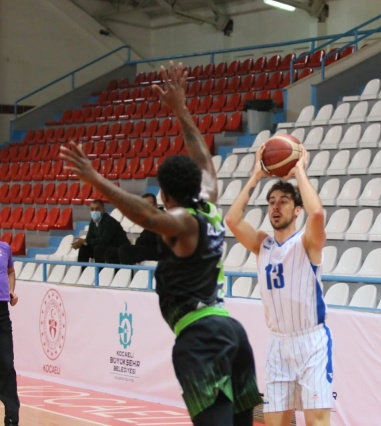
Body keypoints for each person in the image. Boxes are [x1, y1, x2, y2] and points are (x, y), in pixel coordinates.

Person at [61, 62, 262, 426]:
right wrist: (181, 110)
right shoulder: (208, 204)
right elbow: (203, 159)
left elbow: (148, 217)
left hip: (201, 337)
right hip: (231, 332)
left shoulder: (183, 223)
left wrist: (95, 179)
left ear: (166, 196)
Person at [225, 146, 333, 426]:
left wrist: (299, 172)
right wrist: (256, 175)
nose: (275, 206)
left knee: (317, 422)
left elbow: (317, 214)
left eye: (283, 201)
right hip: (278, 343)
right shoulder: (262, 244)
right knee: (274, 422)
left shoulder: (307, 242)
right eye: (272, 202)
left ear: (297, 210)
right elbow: (232, 220)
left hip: (311, 341)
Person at [112, 193, 162, 265]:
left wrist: (139, 243)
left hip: (157, 251)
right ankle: (116, 272)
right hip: (147, 248)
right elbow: (144, 238)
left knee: (124, 249)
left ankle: (129, 272)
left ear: (156, 205)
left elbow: (152, 239)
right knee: (111, 252)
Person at [0, 241, 19, 426]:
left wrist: (11, 290)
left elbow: (11, 271)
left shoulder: (4, 248)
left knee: (7, 362)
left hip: (2, 313)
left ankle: (12, 417)